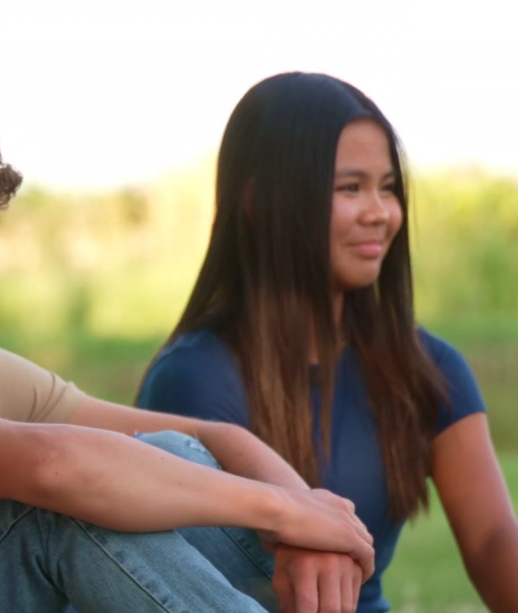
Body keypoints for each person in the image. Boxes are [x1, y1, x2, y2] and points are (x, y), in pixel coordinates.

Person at [0, 73, 373, 613]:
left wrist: (312, 525)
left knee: (164, 455)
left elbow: (209, 438)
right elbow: (52, 468)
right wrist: (282, 512)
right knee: (53, 506)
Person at [136, 71, 518, 612]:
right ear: (259, 201)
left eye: (387, 188)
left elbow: (491, 540)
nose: (379, 213)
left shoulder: (426, 367)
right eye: (350, 188)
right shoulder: (194, 379)